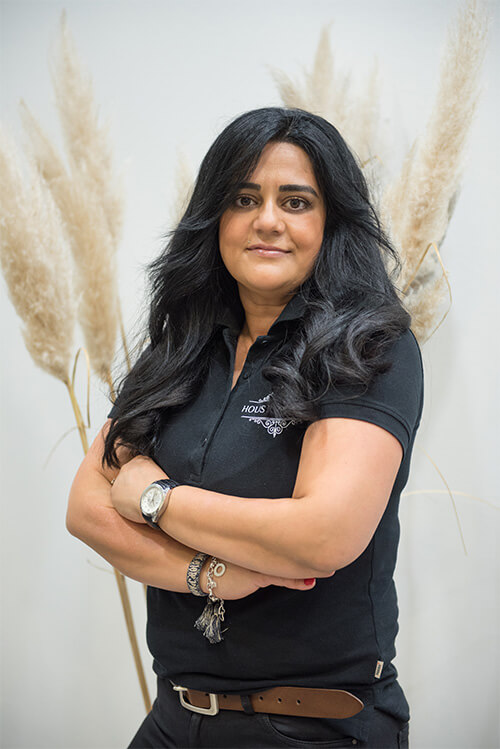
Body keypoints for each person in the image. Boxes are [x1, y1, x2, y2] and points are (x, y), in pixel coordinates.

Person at [67, 107, 423, 748]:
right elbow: (86, 509)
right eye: (244, 198)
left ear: (332, 223)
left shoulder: (370, 348)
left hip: (311, 726)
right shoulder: (180, 347)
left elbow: (324, 535)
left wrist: (156, 498)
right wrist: (212, 574)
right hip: (175, 717)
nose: (268, 220)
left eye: (296, 201)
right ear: (215, 218)